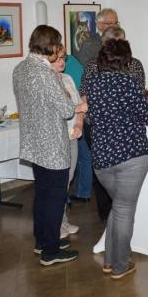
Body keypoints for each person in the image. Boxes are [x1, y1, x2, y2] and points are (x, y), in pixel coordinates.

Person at [83, 38, 148, 279]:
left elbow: (91, 119)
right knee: (125, 210)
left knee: (118, 207)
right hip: (131, 156)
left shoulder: (92, 85)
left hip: (102, 159)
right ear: (125, 60)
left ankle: (108, 260)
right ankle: (121, 265)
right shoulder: (128, 83)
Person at [13, 25, 84, 266]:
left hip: (33, 142)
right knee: (54, 198)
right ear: (50, 46)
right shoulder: (45, 73)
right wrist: (73, 103)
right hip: (52, 144)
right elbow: (65, 110)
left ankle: (43, 241)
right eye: (58, 44)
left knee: (42, 195)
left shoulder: (21, 68)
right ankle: (51, 252)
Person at [80, 25, 146, 223]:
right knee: (106, 172)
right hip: (106, 126)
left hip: (110, 126)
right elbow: (84, 95)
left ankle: (117, 214)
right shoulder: (93, 66)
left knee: (106, 167)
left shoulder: (135, 65)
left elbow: (140, 92)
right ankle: (109, 214)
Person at [49, 45, 82, 239]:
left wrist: (78, 125)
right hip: (57, 138)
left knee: (67, 181)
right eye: (58, 59)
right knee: (59, 183)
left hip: (72, 136)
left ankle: (63, 221)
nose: (62, 62)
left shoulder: (68, 79)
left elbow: (79, 107)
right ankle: (57, 223)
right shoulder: (49, 83)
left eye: (63, 58)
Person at [64, 54, 93, 203]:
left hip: (74, 121)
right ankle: (84, 192)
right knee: (85, 157)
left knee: (78, 160)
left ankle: (79, 193)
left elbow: (80, 94)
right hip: (81, 116)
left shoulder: (65, 76)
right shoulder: (74, 60)